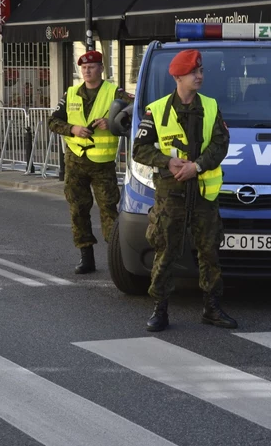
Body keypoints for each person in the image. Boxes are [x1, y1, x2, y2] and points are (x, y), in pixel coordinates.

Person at [131, 49, 237, 332]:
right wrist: (167, 161)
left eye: (201, 71)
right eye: (193, 72)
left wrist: (197, 166)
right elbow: (139, 149)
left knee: (209, 252)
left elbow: (221, 144)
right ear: (178, 76)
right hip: (171, 194)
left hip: (203, 194)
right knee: (165, 251)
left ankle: (212, 308)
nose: (199, 76)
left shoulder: (211, 107)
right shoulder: (157, 110)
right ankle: (160, 309)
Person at [47, 51, 132, 274]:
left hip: (102, 163)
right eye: (83, 68)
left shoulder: (115, 92)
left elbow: (138, 111)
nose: (87, 71)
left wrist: (112, 122)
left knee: (108, 211)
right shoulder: (71, 92)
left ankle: (118, 258)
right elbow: (52, 121)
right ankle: (86, 257)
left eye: (92, 67)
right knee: (78, 209)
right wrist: (72, 129)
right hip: (75, 160)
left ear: (101, 69)